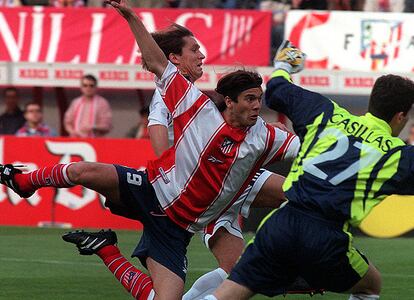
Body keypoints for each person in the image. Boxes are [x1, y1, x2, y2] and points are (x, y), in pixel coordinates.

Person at [0, 4, 300, 299]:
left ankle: (106, 249)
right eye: (194, 49)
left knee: (193, 287)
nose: (202, 55)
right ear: (230, 101)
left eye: (259, 99)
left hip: (184, 221)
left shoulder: (263, 134)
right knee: (83, 170)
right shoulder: (191, 105)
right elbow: (157, 77)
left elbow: (310, 148)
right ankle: (23, 182)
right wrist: (132, 17)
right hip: (154, 189)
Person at [206, 41, 414, 300]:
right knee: (371, 284)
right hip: (327, 237)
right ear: (401, 116)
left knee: (227, 294)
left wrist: (284, 64)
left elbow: (278, 89)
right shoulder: (396, 155)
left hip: (282, 223)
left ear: (373, 101)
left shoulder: (326, 112)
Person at [146, 23, 316, 300]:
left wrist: (267, 126)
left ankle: (291, 265)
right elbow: (157, 131)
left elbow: (230, 120)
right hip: (208, 188)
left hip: (237, 174)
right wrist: (176, 174)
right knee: (238, 272)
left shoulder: (197, 94)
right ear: (174, 58)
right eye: (194, 50)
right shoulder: (166, 94)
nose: (201, 55)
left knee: (298, 195)